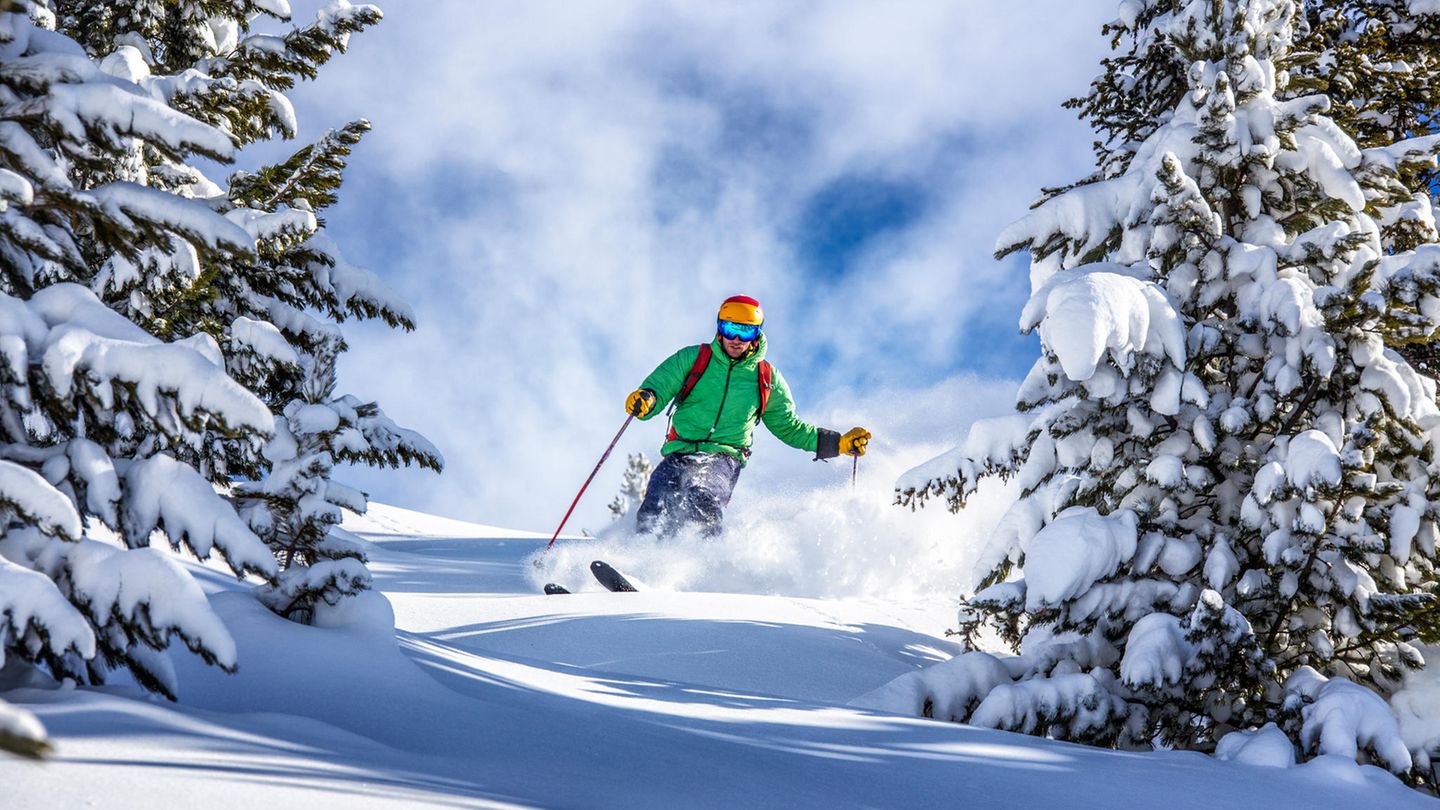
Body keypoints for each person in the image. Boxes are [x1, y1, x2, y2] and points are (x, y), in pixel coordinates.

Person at [624, 294, 870, 538]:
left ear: (757, 334)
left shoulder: (766, 378)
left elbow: (789, 427)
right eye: (730, 329)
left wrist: (838, 443)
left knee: (701, 496)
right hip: (680, 451)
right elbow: (661, 386)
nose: (737, 339)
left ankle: (703, 559)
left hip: (723, 457)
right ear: (720, 328)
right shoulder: (695, 358)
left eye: (746, 332)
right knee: (657, 499)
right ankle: (644, 558)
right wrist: (647, 399)